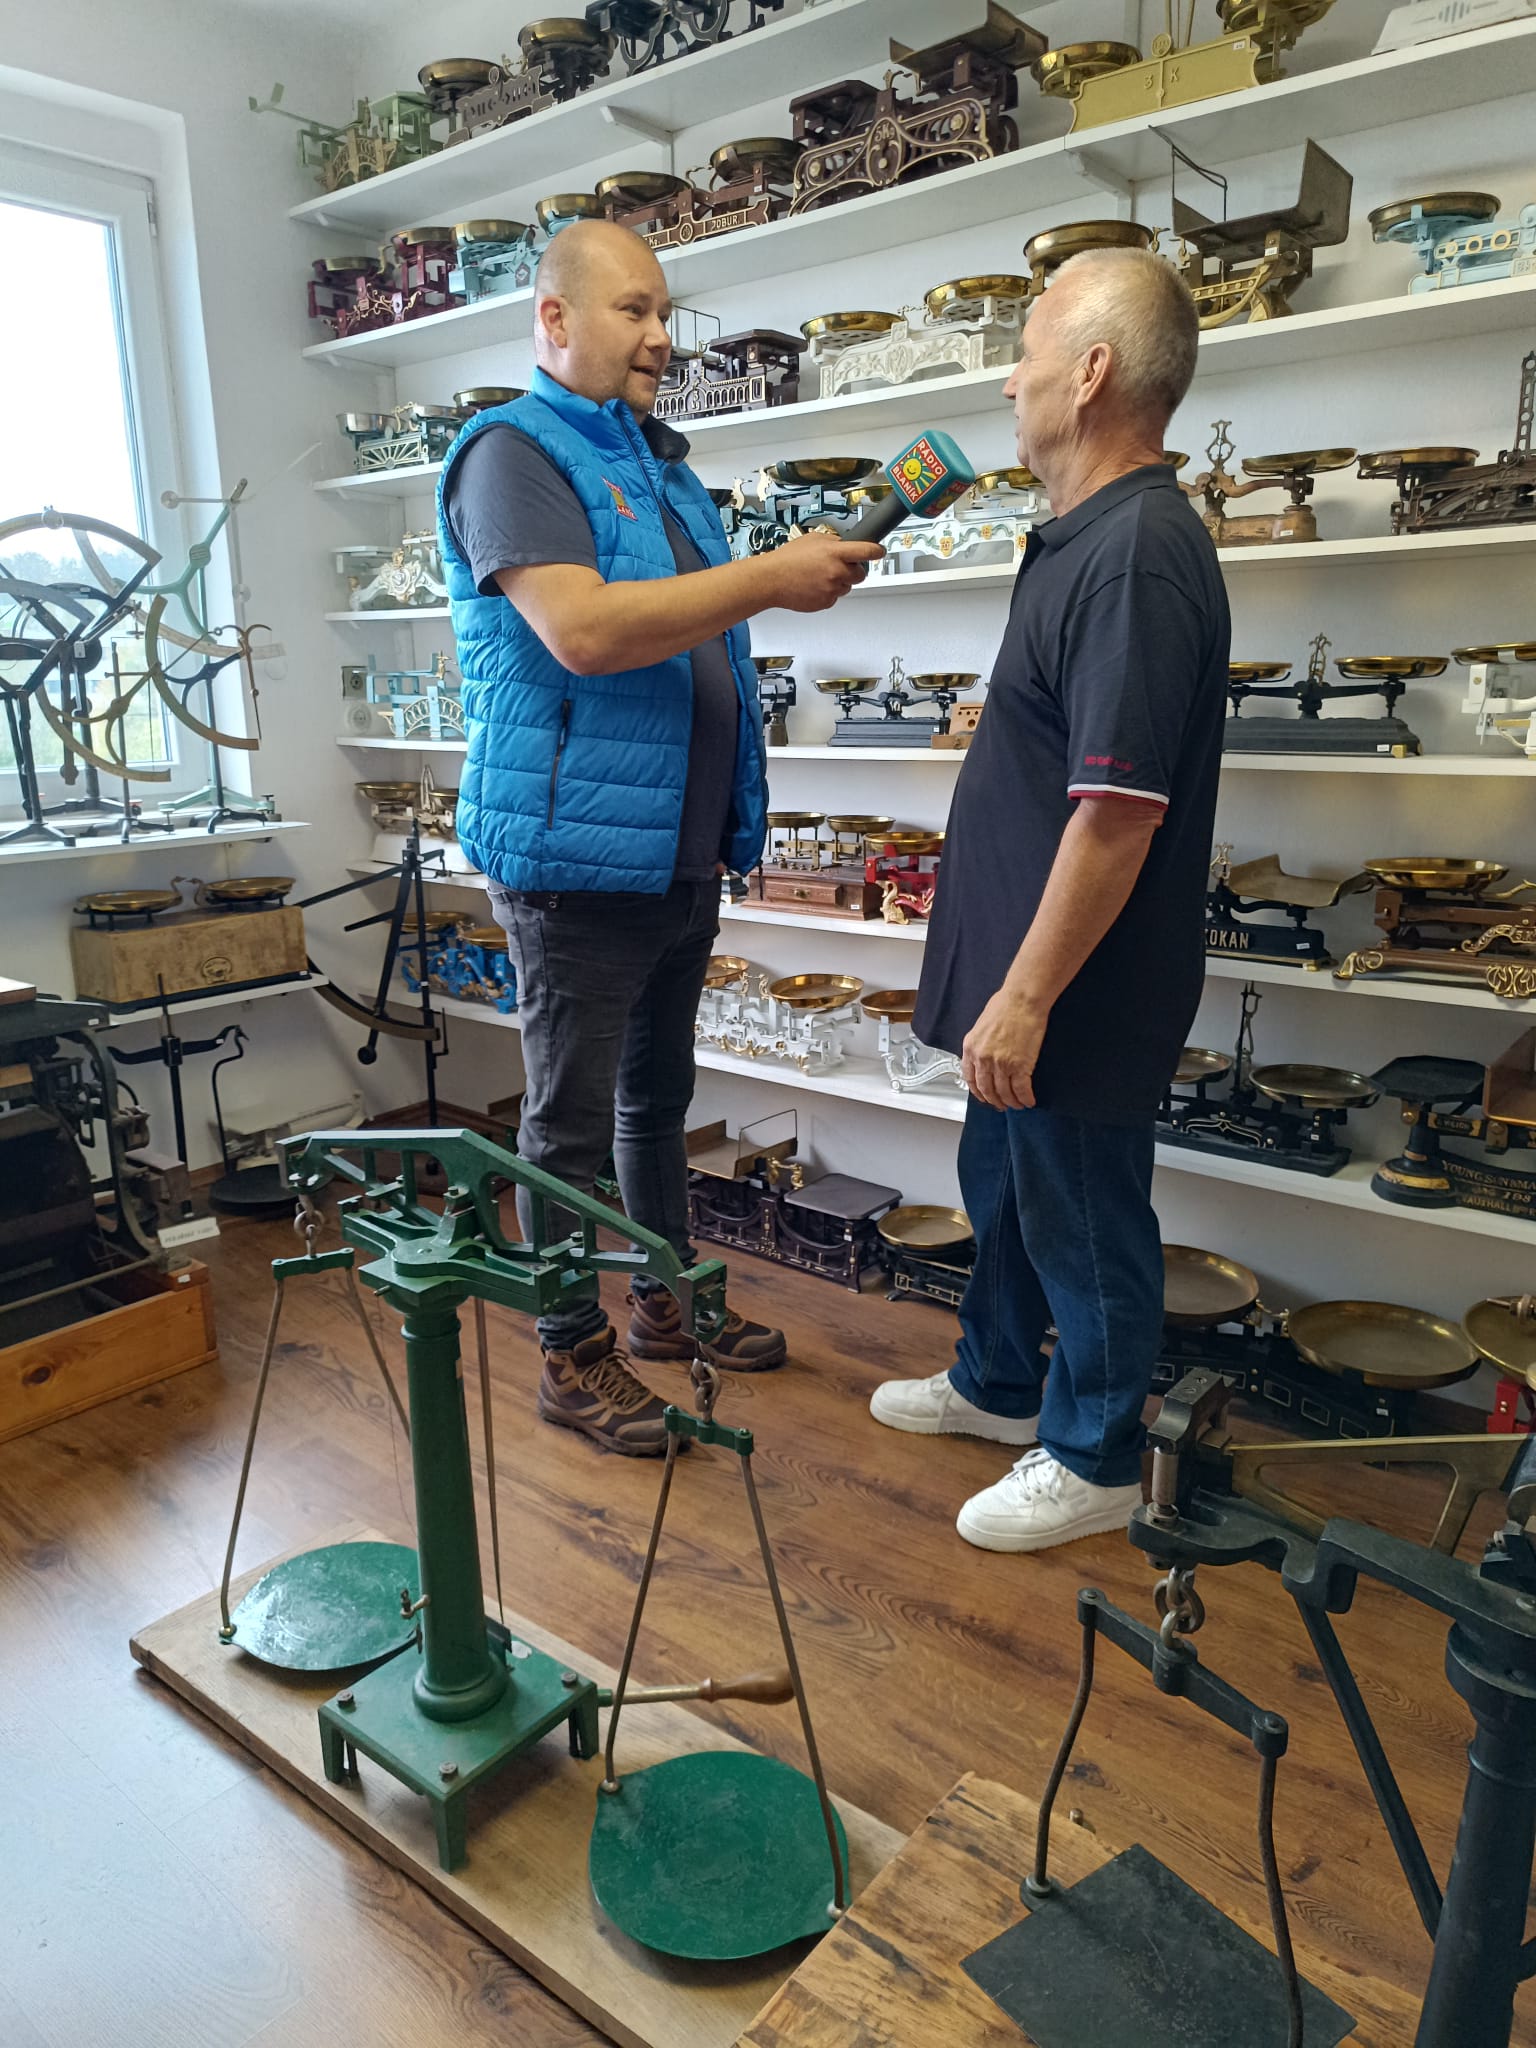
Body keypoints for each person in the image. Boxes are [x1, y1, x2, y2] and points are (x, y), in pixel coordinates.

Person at [436, 219, 882, 1457]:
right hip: (577, 864)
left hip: (675, 852)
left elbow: (696, 634)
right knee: (568, 1126)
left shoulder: (656, 466)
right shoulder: (511, 453)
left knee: (656, 1098)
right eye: (633, 310)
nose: (661, 336)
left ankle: (665, 1300)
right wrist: (771, 577)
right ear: (554, 318)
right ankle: (567, 1351)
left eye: (665, 312)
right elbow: (583, 631)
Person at [870, 248, 1229, 1552]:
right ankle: (998, 1383)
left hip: (1076, 982)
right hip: (1025, 969)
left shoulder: (1135, 554)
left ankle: (1096, 1455)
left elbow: (1120, 813)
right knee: (1008, 1186)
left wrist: (1027, 997)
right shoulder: (1084, 539)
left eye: (1025, 352)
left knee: (1082, 1212)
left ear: (1089, 374)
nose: (1008, 379)